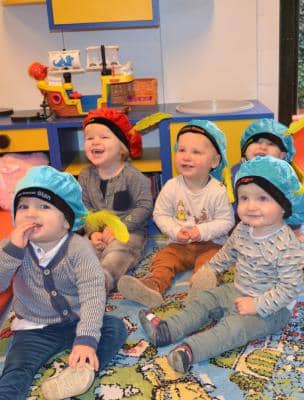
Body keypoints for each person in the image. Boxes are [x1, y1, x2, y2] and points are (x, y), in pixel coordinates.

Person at [138, 155, 304, 373]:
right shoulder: (243, 229)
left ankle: (191, 351)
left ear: (284, 205)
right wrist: (209, 270)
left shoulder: (287, 245)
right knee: (206, 299)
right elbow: (226, 254)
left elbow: (290, 288)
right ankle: (168, 330)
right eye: (244, 198)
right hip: (237, 289)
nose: (251, 206)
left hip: (272, 309)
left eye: (262, 198)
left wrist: (257, 305)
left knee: (234, 328)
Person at [0, 166, 128, 400]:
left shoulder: (80, 249)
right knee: (16, 369)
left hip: (77, 320)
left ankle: (81, 372)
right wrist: (12, 253)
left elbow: (92, 294)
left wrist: (86, 339)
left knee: (115, 328)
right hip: (33, 328)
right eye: (23, 206)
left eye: (43, 207)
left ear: (67, 221)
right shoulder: (11, 247)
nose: (30, 213)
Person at [118, 119, 235, 307]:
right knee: (163, 259)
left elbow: (226, 221)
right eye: (181, 150)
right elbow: (160, 214)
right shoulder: (172, 186)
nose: (186, 157)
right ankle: (152, 287)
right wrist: (175, 231)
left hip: (211, 244)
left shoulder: (218, 190)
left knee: (211, 264)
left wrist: (201, 231)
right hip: (179, 244)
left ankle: (202, 288)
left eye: (196, 152)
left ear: (214, 161)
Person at [231, 118, 304, 282]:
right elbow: (230, 205)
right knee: (237, 255)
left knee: (292, 252)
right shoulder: (237, 173)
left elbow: (296, 202)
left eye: (271, 144)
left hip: (278, 229)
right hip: (245, 230)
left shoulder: (285, 176)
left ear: (283, 155)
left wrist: (294, 228)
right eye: (256, 141)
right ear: (244, 149)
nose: (262, 147)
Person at [79, 108, 153, 292]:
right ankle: (77, 278)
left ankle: (103, 280)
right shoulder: (85, 176)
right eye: (89, 138)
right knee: (78, 247)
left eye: (104, 137)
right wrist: (92, 233)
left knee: (118, 252)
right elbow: (84, 209)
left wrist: (121, 227)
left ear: (122, 148)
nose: (95, 141)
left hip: (129, 231)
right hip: (99, 231)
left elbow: (144, 206)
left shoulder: (133, 176)